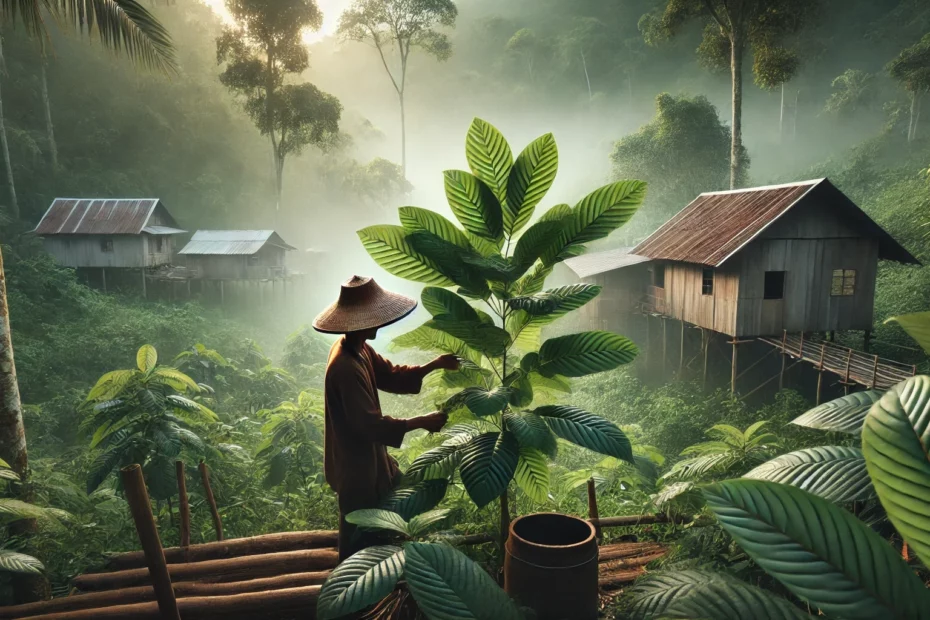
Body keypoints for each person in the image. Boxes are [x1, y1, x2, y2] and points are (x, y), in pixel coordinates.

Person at [313, 275, 459, 560]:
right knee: (358, 535)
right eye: (374, 318)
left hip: (372, 460)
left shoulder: (359, 348)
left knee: (395, 502)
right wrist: (421, 422)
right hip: (356, 467)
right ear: (360, 322)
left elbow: (390, 375)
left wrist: (434, 365)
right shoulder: (345, 366)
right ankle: (352, 594)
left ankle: (383, 574)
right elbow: (370, 426)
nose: (379, 322)